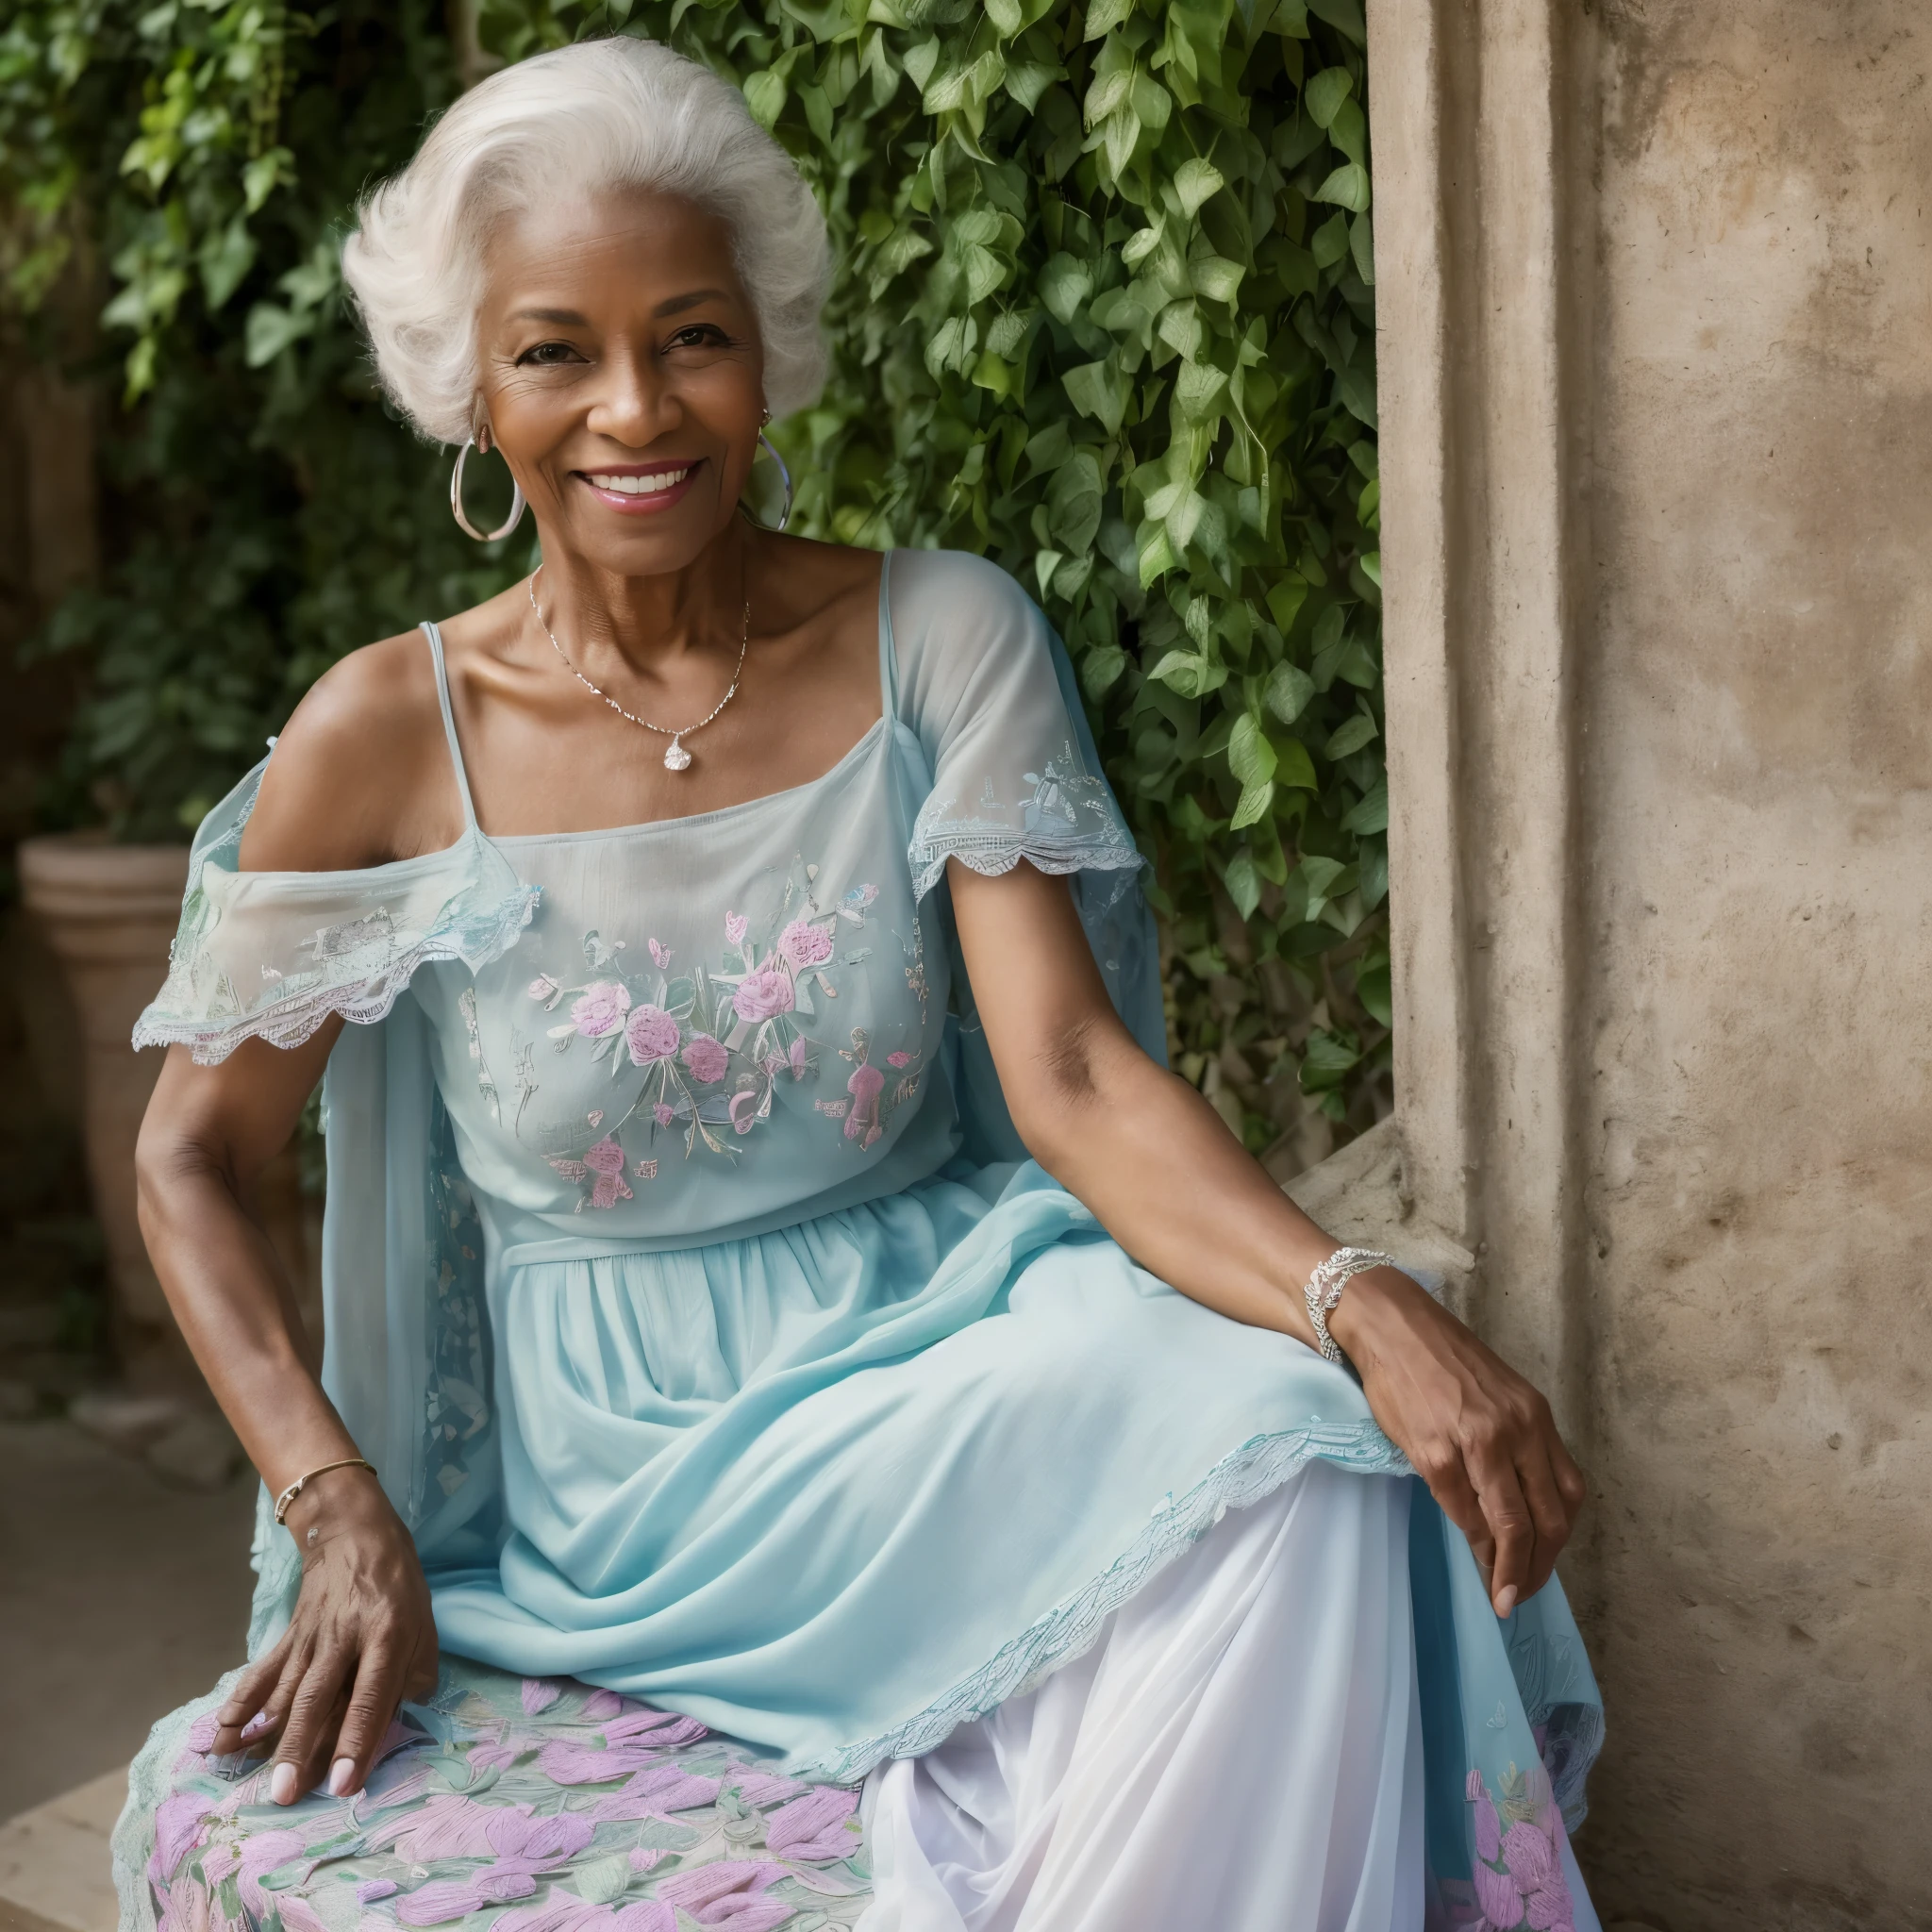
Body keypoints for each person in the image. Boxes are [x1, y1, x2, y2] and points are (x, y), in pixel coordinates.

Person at [122, 36, 1603, 1932]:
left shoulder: (942, 633)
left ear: (769, 353)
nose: (635, 407)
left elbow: (1065, 1073)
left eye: (692, 336)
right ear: (470, 391)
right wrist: (337, 1501)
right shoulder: (388, 733)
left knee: (1318, 1456)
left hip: (959, 1327)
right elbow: (189, 1157)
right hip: (651, 1477)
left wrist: (1355, 1294)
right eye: (556, 349)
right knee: (1294, 1483)